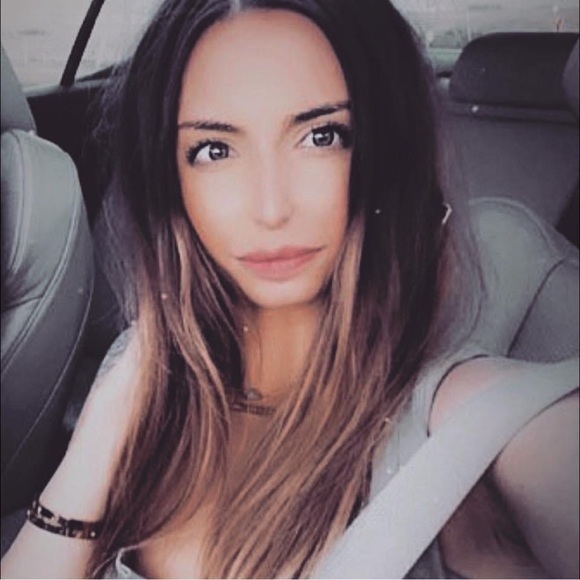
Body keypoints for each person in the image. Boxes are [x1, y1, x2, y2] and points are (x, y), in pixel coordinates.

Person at [1, 0, 578, 578]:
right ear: (170, 180)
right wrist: (108, 423)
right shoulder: (142, 368)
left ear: (385, 153)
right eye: (214, 150)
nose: (271, 207)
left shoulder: (470, 418)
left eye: (321, 136)